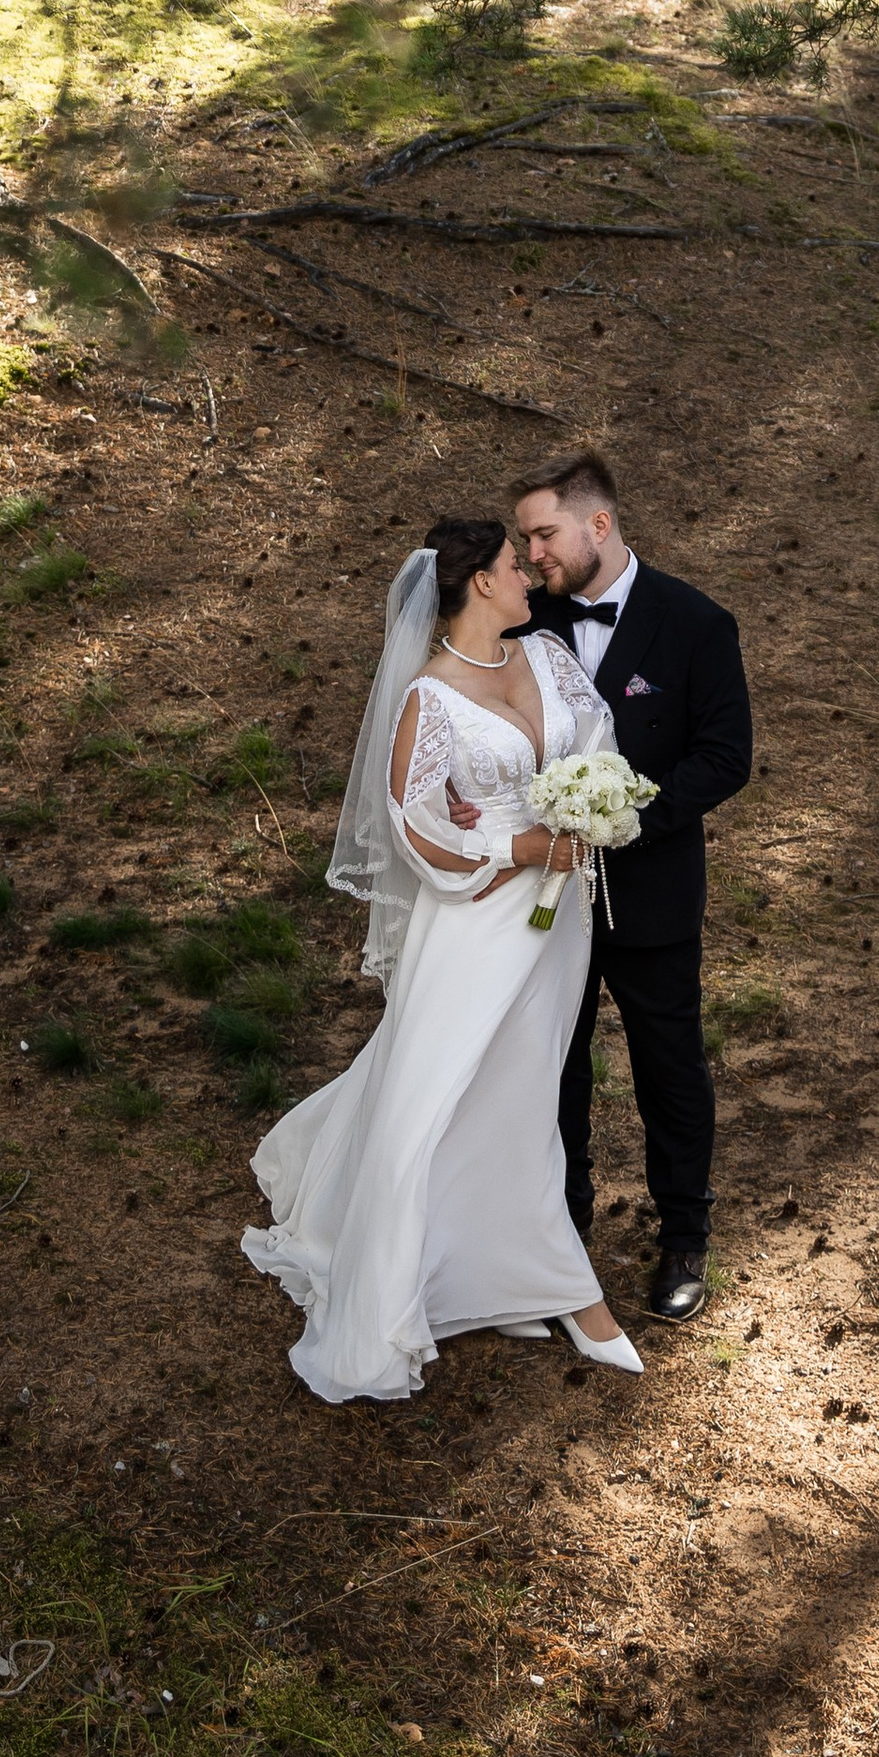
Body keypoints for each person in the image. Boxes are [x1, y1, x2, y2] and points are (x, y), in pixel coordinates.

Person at [240, 516, 644, 1402]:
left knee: (524, 1088)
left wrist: (589, 810)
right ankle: (570, 1295)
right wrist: (517, 849)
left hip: (557, 920)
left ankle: (497, 1276)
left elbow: (599, 738)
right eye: (513, 564)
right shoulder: (428, 699)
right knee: (440, 1089)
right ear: (476, 584)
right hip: (475, 919)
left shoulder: (548, 659)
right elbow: (418, 828)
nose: (531, 573)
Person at [512, 448, 752, 1324]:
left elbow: (727, 758)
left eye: (544, 534)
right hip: (541, 902)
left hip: (651, 894)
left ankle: (685, 1235)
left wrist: (628, 818)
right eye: (526, 540)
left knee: (669, 1068)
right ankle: (561, 1234)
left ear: (597, 525)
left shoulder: (696, 622)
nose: (532, 554)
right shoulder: (519, 620)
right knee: (554, 1069)